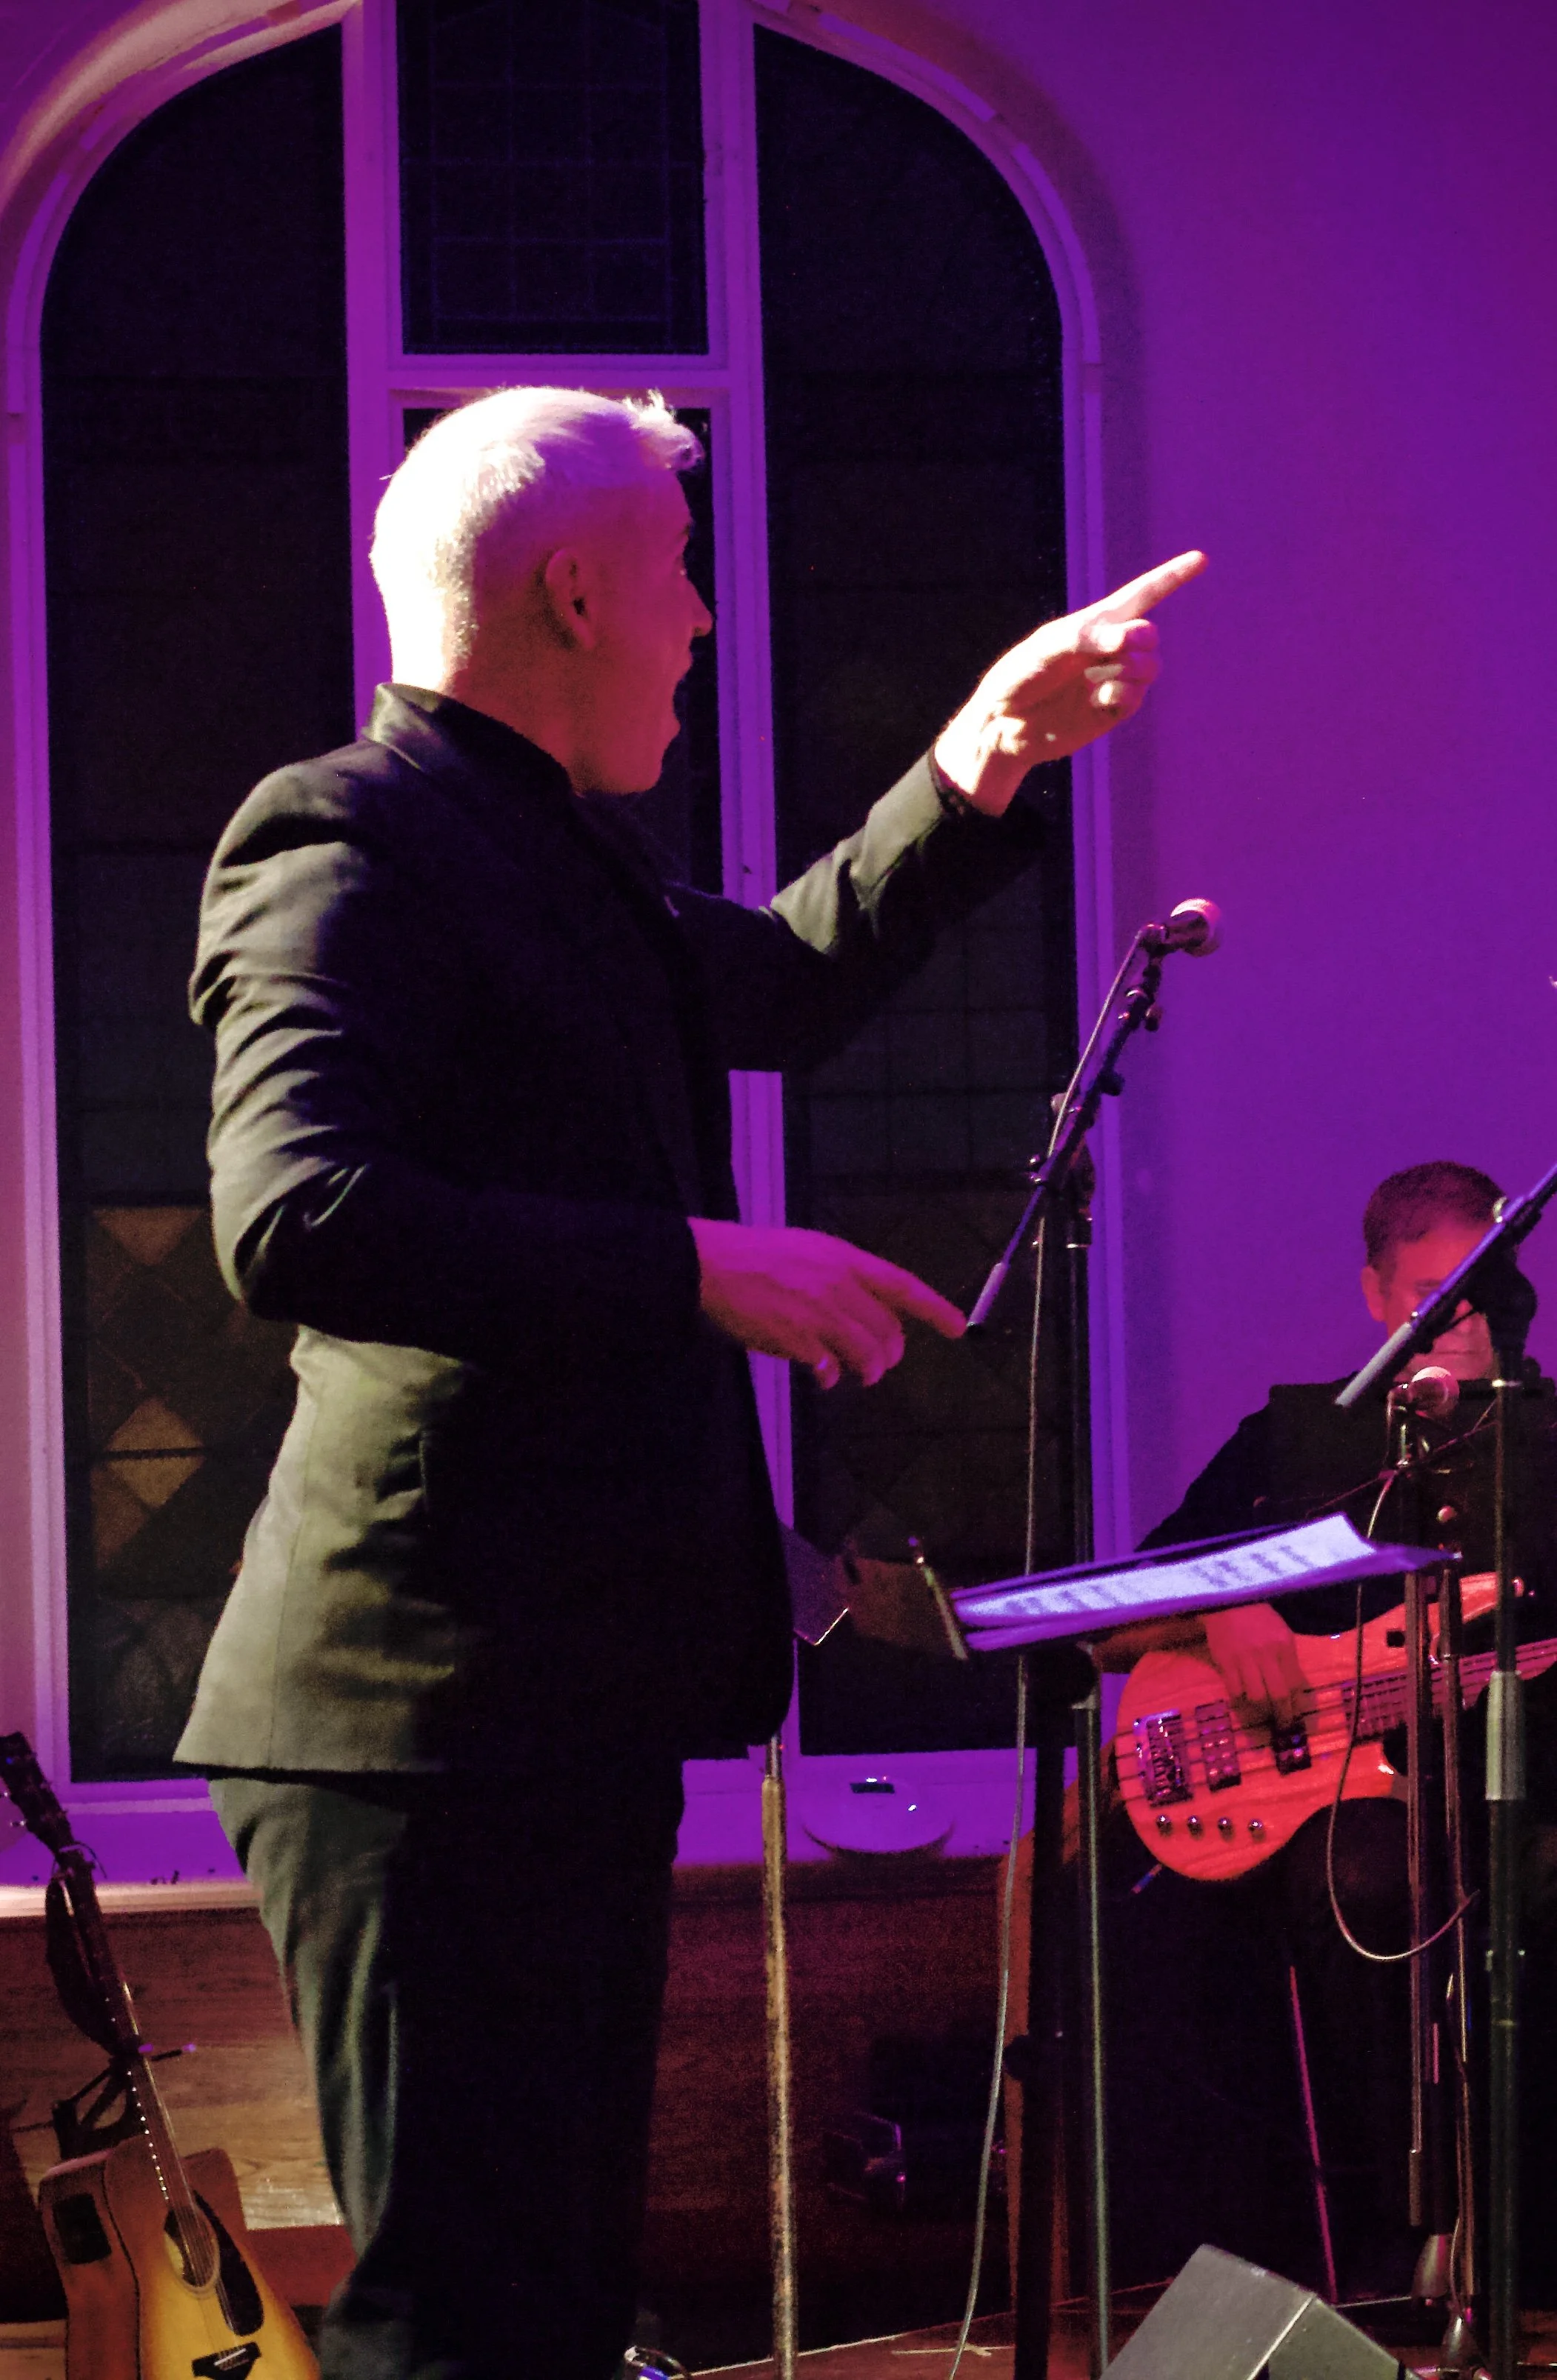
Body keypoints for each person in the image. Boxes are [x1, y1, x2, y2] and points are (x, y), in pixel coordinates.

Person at [172, 384, 1204, 2380]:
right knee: (459, 2323)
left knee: (549, 2308)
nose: (708, 622)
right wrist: (692, 1263)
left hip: (542, 1705)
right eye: (679, 574)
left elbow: (789, 981)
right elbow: (293, 1213)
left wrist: (979, 759)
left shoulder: (566, 859)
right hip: (416, 1716)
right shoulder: (348, 834)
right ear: (572, 591)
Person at [1101, 1161, 1557, 2300]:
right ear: (1373, 1296)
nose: (1452, 1321)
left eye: (1476, 1292)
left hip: (1532, 1788)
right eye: (1426, 1294)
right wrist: (1225, 1605)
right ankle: (1399, 2234)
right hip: (1341, 1798)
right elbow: (1116, 1611)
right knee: (1358, 1879)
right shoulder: (1300, 1439)